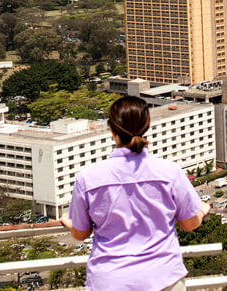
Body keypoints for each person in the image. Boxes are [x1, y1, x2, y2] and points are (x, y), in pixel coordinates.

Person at [62, 96, 210, 291]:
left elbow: (81, 234)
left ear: (112, 130)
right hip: (163, 276)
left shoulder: (88, 178)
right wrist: (202, 211)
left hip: (111, 280)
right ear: (146, 126)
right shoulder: (169, 172)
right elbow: (189, 224)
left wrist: (69, 222)